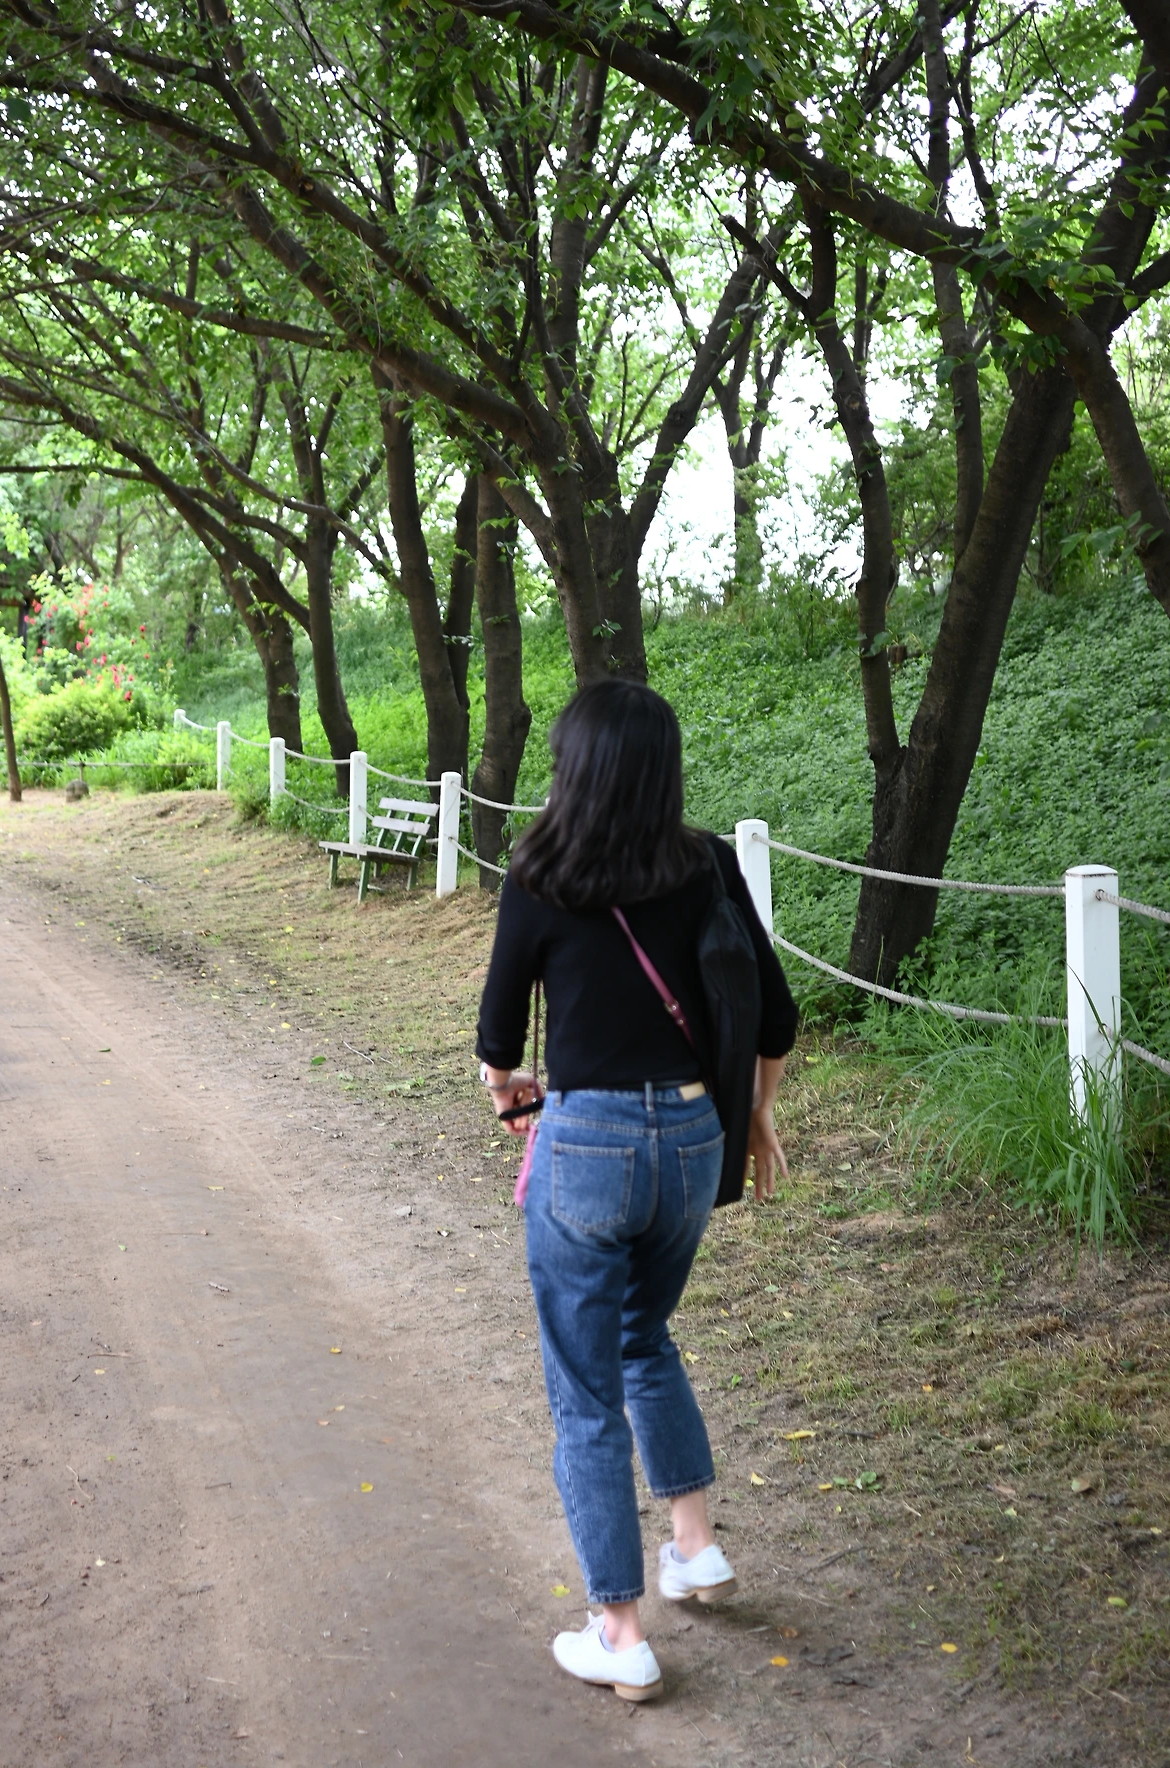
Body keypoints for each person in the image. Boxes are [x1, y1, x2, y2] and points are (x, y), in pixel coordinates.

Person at [476, 679, 799, 1702]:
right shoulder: (707, 864)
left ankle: (618, 1633)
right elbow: (776, 1018)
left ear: (572, 766)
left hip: (587, 1146)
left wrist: (508, 1089)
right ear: (664, 768)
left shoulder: (539, 869)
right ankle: (694, 1549)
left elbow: (496, 1041)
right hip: (695, 1141)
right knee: (642, 1335)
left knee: (583, 1394)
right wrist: (754, 1114)